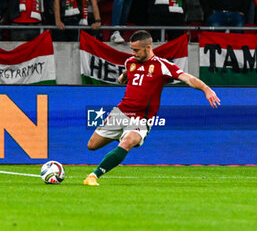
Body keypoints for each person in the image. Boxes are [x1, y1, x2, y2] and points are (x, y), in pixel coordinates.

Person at [84, 30, 221, 186]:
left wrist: (206, 89)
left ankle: (93, 176)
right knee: (92, 145)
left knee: (127, 142)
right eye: (132, 50)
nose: (133, 53)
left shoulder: (162, 66)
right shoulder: (130, 62)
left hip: (141, 118)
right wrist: (123, 78)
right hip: (121, 112)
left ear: (148, 48)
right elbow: (127, 73)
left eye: (136, 50)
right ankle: (119, 140)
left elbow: (188, 78)